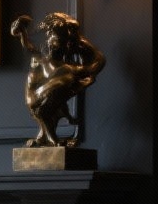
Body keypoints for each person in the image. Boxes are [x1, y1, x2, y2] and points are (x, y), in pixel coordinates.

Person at [10, 11, 106, 147]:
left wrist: (78, 40)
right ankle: (49, 138)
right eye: (51, 41)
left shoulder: (69, 68)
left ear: (65, 45)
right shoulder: (42, 60)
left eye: (57, 42)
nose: (52, 44)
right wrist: (21, 32)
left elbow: (98, 62)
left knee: (44, 111)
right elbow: (28, 47)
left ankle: (50, 138)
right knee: (41, 111)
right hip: (37, 98)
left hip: (46, 99)